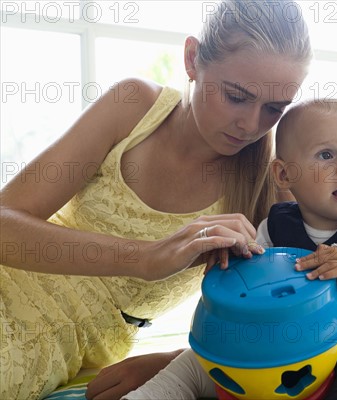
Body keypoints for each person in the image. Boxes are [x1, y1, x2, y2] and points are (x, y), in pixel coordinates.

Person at [0, 1, 311, 398]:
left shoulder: (267, 187)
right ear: (193, 58)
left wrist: (177, 360)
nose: (250, 125)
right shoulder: (133, 107)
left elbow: (296, 321)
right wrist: (143, 258)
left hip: (55, 347)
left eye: (273, 109)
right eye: (235, 96)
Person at [124, 99, 337, 399]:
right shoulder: (274, 226)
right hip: (282, 359)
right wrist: (234, 265)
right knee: (196, 365)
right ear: (285, 174)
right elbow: (251, 292)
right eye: (326, 155)